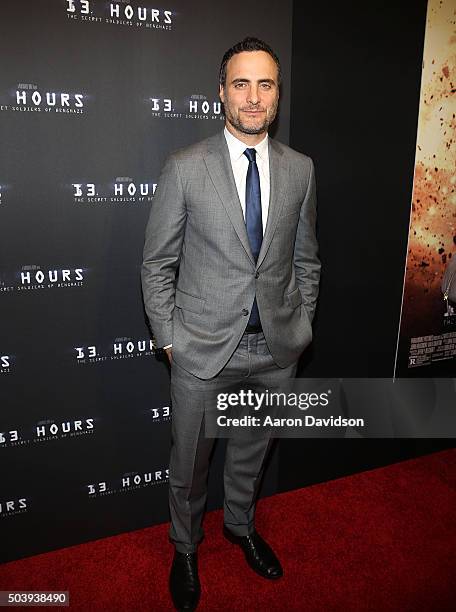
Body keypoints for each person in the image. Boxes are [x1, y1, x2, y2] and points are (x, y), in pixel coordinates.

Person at [141, 36, 320, 611]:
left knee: (252, 452)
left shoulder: (301, 170)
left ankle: (239, 527)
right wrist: (171, 341)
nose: (253, 96)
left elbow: (306, 260)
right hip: (202, 352)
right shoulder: (185, 167)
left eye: (265, 84)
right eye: (240, 83)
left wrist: (299, 327)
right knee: (189, 464)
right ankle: (185, 546)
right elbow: (157, 264)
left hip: (275, 352)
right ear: (221, 92)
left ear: (277, 95)